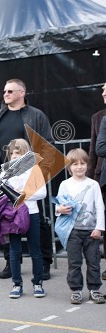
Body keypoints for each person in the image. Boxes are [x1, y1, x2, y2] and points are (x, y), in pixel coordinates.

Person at [0, 78, 54, 280]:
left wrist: (40, 172)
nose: (5, 94)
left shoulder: (36, 115)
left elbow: (47, 144)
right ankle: (11, 262)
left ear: (22, 93)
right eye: (4, 91)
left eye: (10, 91)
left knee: (37, 220)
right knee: (7, 218)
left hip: (31, 172)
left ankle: (44, 263)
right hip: (4, 175)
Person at [55, 148, 105, 304]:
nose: (79, 167)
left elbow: (100, 208)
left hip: (91, 232)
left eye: (83, 163)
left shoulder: (94, 184)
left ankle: (94, 290)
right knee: (74, 263)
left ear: (87, 165)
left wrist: (99, 228)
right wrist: (59, 210)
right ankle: (76, 290)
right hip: (72, 231)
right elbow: (58, 206)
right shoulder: (64, 184)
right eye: (75, 164)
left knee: (94, 262)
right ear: (69, 167)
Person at [1, 139, 47, 299]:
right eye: (12, 153)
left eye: (19, 153)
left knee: (35, 249)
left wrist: (24, 195)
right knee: (15, 250)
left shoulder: (34, 170)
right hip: (12, 215)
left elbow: (43, 193)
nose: (15, 156)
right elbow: (0, 191)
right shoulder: (5, 170)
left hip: (32, 213)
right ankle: (16, 284)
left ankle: (38, 283)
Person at [86, 82, 106, 280]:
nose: (102, 93)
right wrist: (90, 179)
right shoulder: (98, 117)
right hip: (103, 175)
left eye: (105, 90)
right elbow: (94, 150)